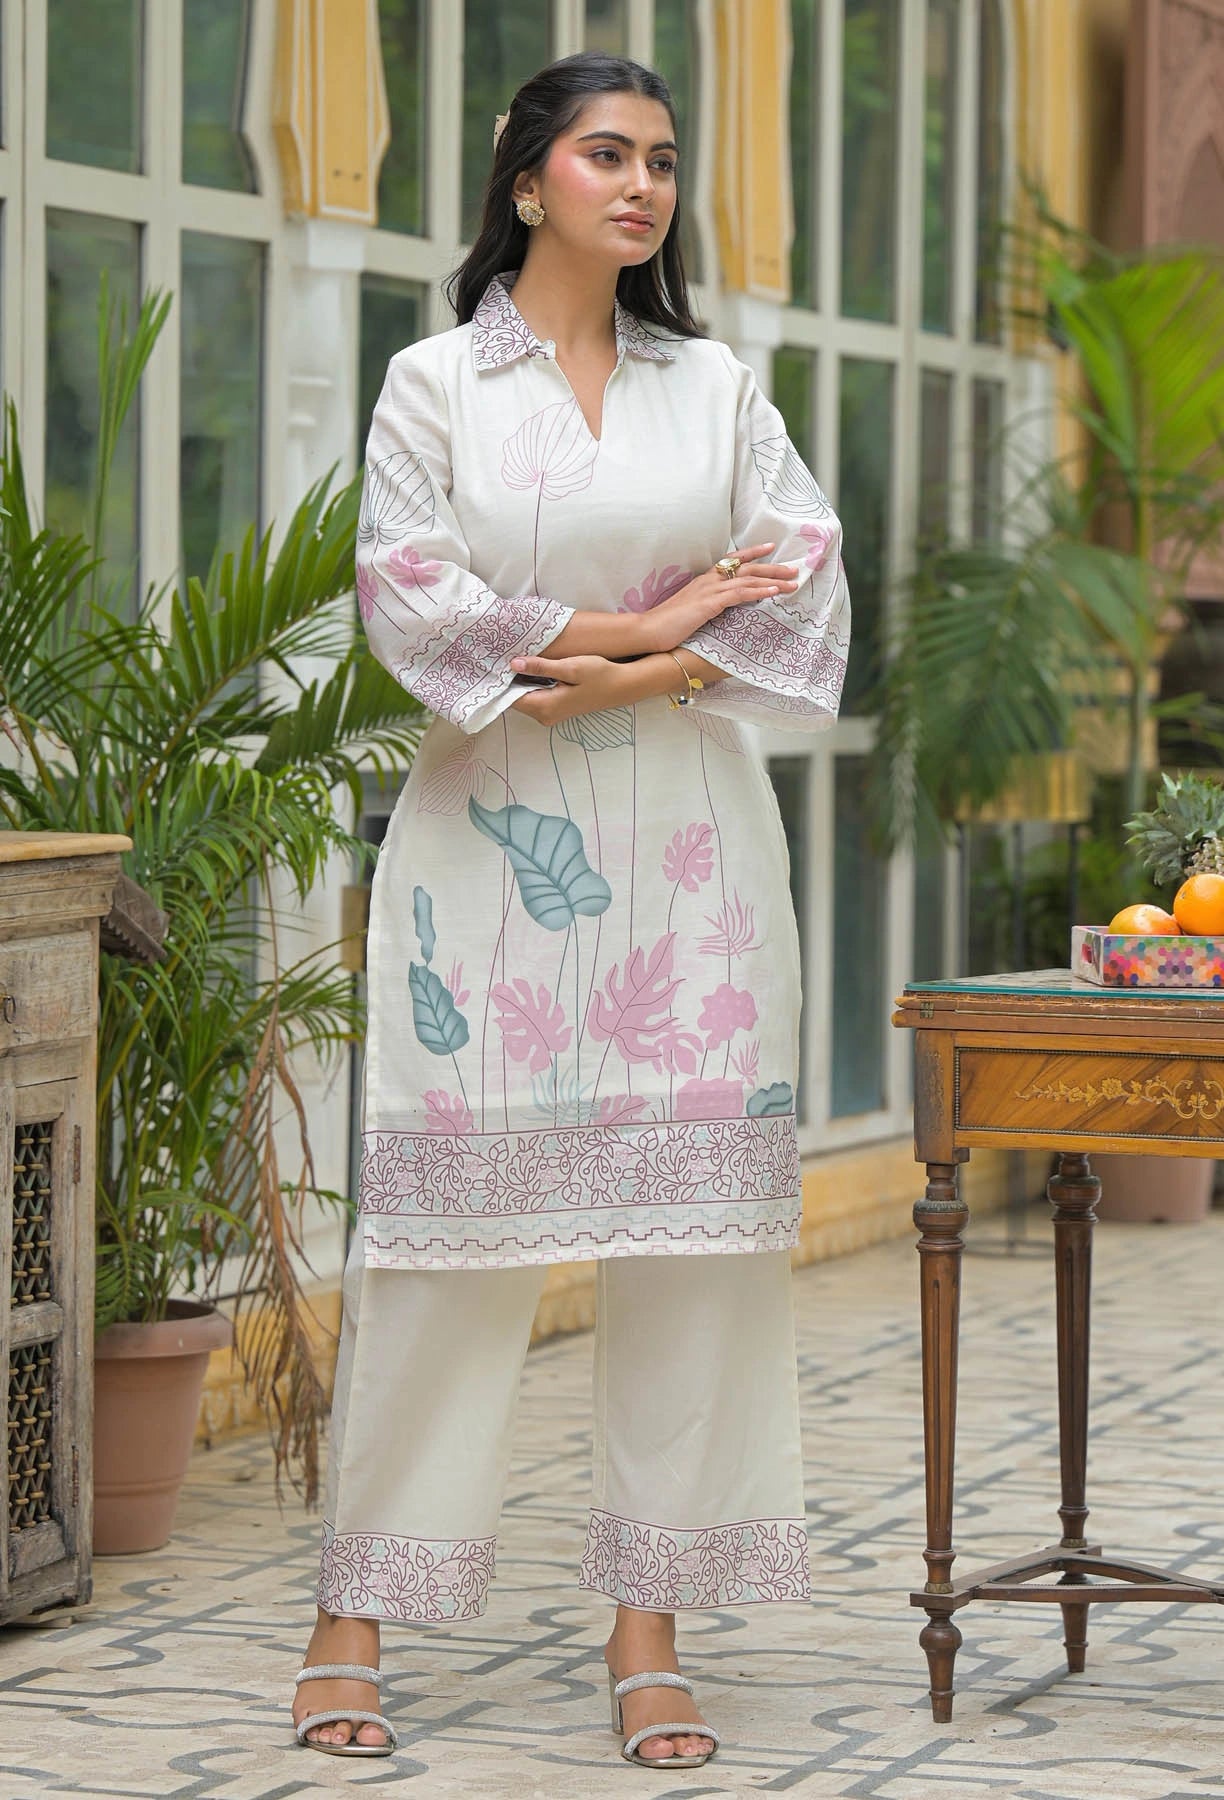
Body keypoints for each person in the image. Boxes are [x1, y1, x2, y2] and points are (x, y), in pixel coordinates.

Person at [292, 49, 850, 1769]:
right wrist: (673, 619)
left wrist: (593, 654)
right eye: (606, 153)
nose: (641, 184)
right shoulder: (433, 385)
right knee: (442, 1257)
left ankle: (649, 1633)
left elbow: (803, 589)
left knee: (692, 1258)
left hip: (697, 874)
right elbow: (424, 611)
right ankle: (350, 1618)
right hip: (489, 888)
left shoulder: (718, 386)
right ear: (528, 179)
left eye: (664, 161)